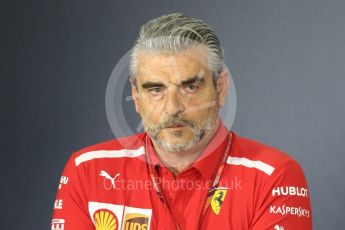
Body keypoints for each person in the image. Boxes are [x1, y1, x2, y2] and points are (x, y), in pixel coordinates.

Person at [51, 13, 312, 230]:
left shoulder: (274, 177)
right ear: (136, 96)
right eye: (156, 90)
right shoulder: (86, 172)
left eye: (190, 87)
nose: (173, 108)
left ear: (220, 89)